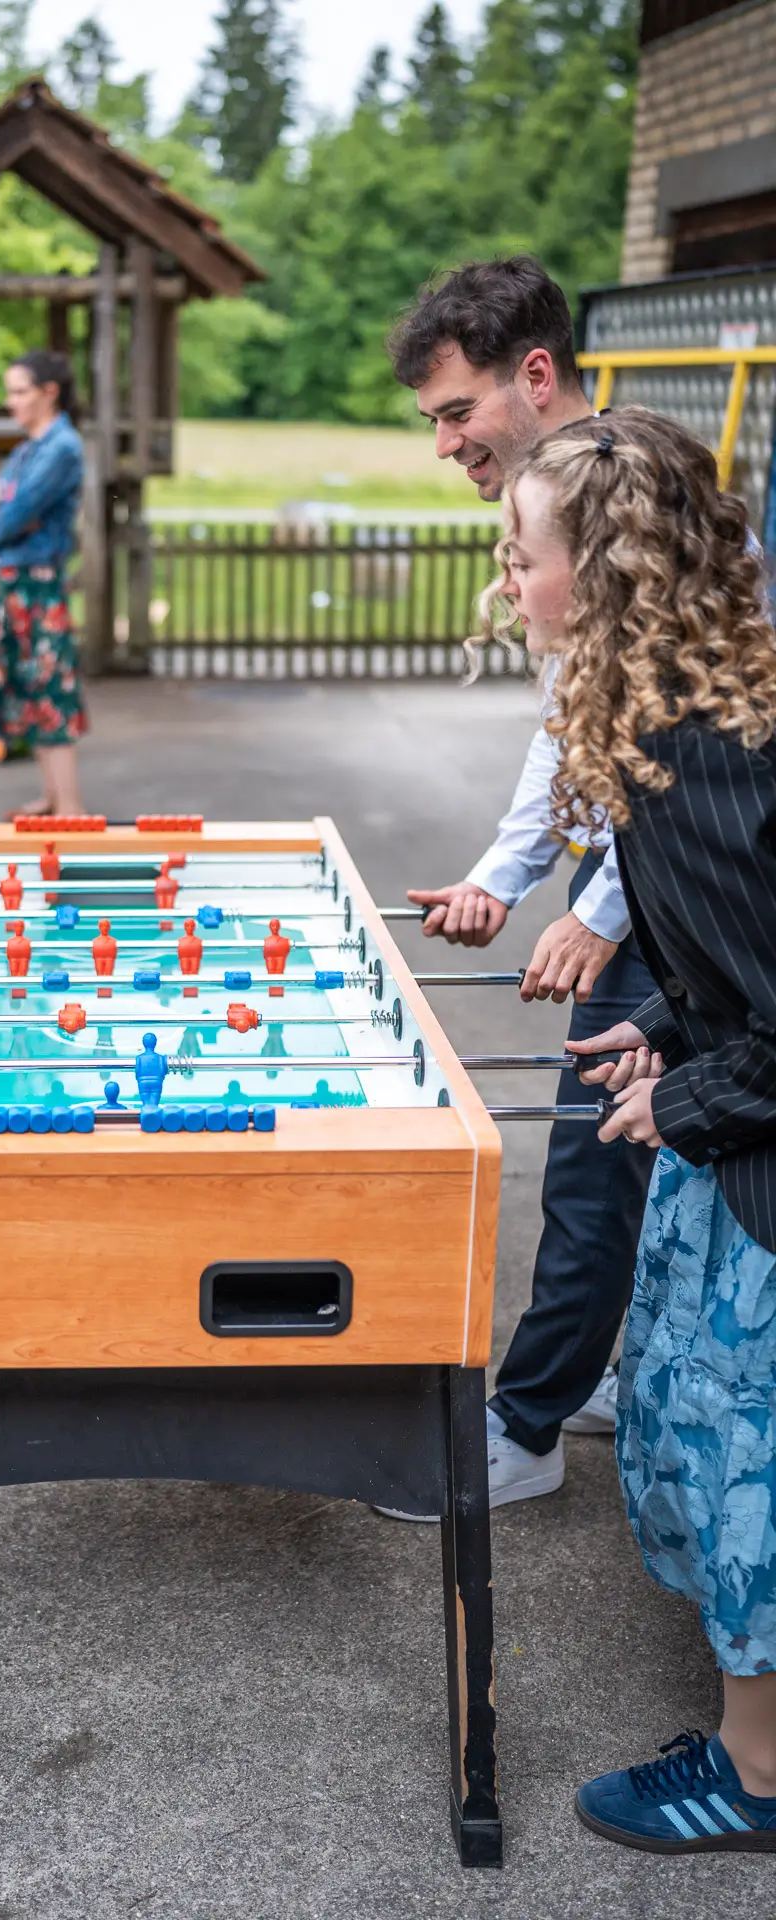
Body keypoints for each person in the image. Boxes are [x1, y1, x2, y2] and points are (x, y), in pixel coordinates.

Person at [491, 407, 776, 1852]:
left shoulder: (708, 754)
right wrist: (658, 1028)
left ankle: (758, 1780)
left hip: (763, 1176)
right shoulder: (681, 721)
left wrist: (694, 1092)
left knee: (752, 1470)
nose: (507, 584)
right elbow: (740, 966)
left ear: (600, 575)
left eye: (523, 556)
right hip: (731, 1122)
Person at [380, 257, 658, 1513]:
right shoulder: (559, 500)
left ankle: (526, 1425)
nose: (443, 443)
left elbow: (695, 770)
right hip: (634, 869)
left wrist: (600, 912)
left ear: (532, 376)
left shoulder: (640, 504)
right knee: (647, 1160)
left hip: (688, 890)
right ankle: (604, 1370)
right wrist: (504, 875)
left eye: (454, 411)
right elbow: (572, 729)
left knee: (597, 1161)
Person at [0, 348, 88, 817]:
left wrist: (4, 511)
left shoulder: (62, 447)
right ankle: (52, 798)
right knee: (32, 691)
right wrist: (3, 509)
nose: (11, 403)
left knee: (50, 691)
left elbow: (7, 516)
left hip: (38, 582)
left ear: (50, 393)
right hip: (17, 582)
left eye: (19, 392)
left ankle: (69, 808)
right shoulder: (30, 447)